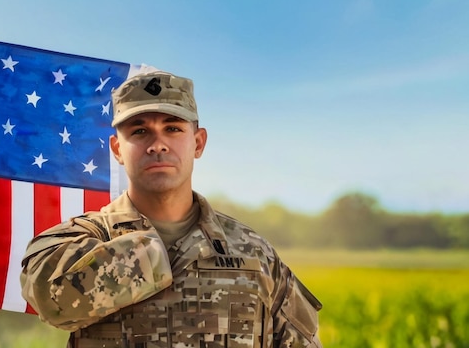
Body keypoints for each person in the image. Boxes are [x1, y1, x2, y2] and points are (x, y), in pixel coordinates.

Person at [20, 71, 323, 348]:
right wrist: (151, 256)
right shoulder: (80, 239)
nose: (157, 144)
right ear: (116, 150)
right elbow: (49, 299)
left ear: (198, 143)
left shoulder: (255, 254)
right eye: (139, 132)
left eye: (173, 128)